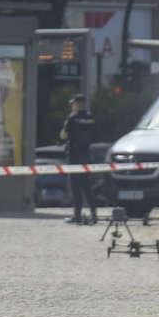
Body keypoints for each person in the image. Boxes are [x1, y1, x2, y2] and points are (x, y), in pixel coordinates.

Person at [59, 94, 98, 225]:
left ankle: (77, 215)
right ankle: (94, 213)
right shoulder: (90, 117)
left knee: (76, 186)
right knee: (87, 186)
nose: (72, 106)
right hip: (86, 155)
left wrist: (67, 123)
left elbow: (63, 136)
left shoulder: (73, 118)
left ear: (77, 104)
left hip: (74, 156)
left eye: (73, 103)